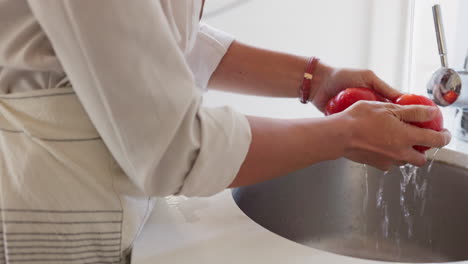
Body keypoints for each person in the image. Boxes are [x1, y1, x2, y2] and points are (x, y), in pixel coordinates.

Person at [0, 1, 450, 263]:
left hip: (112, 208)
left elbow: (161, 37)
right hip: (54, 232)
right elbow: (177, 150)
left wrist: (316, 79)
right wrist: (342, 135)